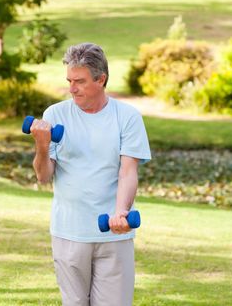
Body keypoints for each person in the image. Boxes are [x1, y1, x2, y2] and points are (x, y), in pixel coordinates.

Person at [30, 43, 151, 306]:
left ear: (101, 79)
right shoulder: (55, 115)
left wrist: (121, 212)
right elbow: (43, 176)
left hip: (113, 233)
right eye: (69, 81)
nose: (72, 89)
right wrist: (41, 145)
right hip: (69, 232)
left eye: (80, 82)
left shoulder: (127, 117)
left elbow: (128, 172)